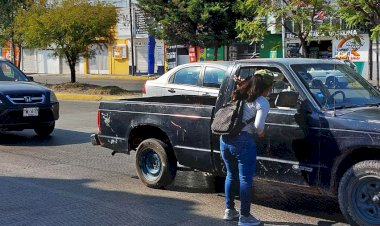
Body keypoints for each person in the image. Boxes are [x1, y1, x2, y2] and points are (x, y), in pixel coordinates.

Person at [221, 69, 274, 226]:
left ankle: (229, 211)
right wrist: (262, 132)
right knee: (245, 179)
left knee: (231, 175)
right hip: (243, 142)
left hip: (225, 139)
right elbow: (258, 127)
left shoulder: (239, 93)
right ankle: (245, 217)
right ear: (267, 86)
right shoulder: (262, 102)